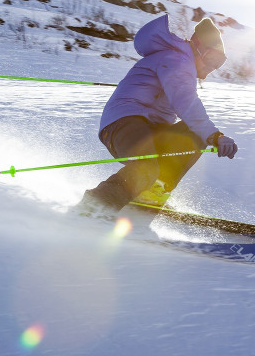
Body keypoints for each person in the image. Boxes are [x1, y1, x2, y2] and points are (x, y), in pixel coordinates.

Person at [77, 14, 237, 216]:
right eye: (213, 59)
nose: (211, 69)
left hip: (149, 128)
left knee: (193, 133)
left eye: (219, 63)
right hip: (123, 123)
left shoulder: (179, 61)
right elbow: (185, 101)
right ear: (197, 45)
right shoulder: (177, 59)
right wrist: (215, 135)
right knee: (147, 166)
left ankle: (150, 195)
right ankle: (94, 208)